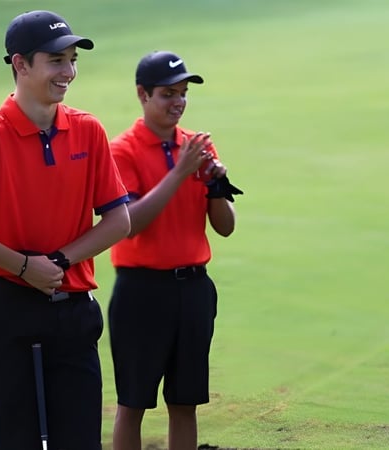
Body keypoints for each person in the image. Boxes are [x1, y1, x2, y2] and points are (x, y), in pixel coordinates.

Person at [0, 10, 130, 450]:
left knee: (79, 441)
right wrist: (22, 267)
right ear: (21, 64)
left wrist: (57, 262)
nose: (69, 72)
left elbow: (119, 219)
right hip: (10, 309)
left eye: (73, 60)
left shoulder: (88, 130)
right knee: (14, 439)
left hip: (73, 308)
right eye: (57, 60)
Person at [107, 50, 243, 450]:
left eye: (183, 93)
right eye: (168, 94)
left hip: (194, 290)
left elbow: (226, 227)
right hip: (141, 290)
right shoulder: (123, 150)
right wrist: (180, 172)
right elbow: (131, 222)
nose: (178, 102)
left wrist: (217, 185)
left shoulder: (198, 145)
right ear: (142, 95)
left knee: (185, 402)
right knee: (132, 403)